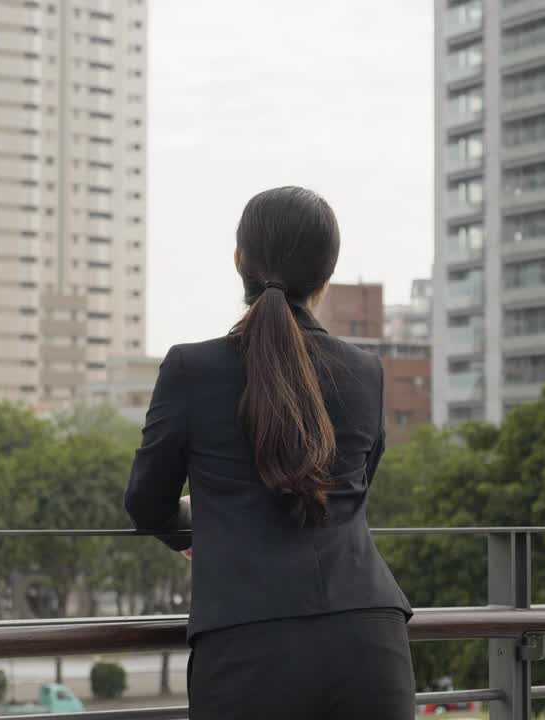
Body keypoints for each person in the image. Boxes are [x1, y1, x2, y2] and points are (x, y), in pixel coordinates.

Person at [124, 186, 414, 718]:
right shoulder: (365, 372)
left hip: (248, 647)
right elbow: (347, 491)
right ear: (326, 276)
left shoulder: (191, 369)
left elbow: (146, 503)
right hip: (370, 641)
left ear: (239, 262)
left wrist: (197, 521)